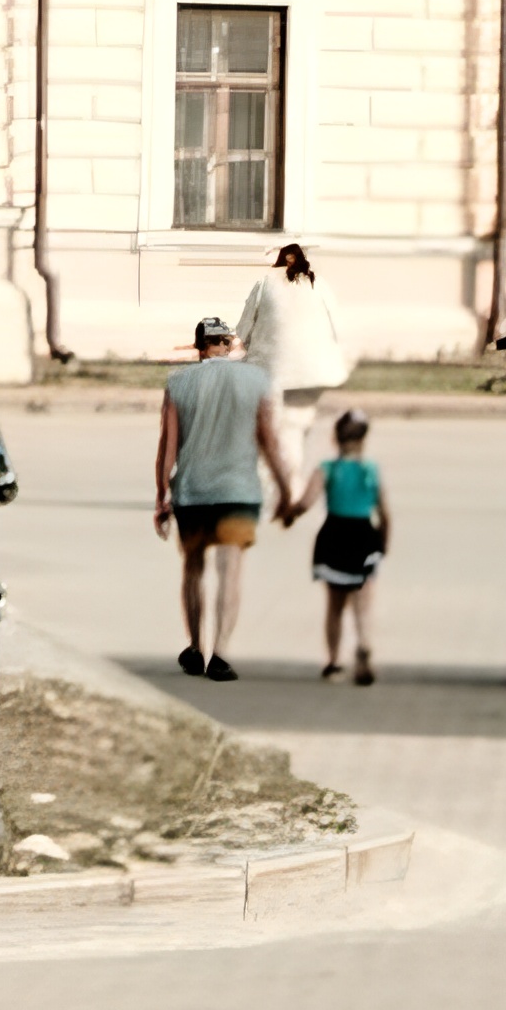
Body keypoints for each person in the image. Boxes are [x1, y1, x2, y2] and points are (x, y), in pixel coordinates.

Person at [154, 316, 290, 681]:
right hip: (238, 493)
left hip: (192, 493)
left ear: (199, 346)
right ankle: (221, 653)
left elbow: (167, 447)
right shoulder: (255, 380)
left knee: (194, 569)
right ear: (228, 344)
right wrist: (286, 489)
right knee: (230, 572)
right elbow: (269, 441)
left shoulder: (178, 383)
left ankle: (196, 648)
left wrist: (161, 496)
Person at [236, 241, 350, 501]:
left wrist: (241, 343)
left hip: (270, 371)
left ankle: (262, 485)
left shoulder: (266, 281)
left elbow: (244, 325)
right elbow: (337, 323)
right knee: (295, 430)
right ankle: (293, 485)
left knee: (266, 429)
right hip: (311, 373)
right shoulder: (317, 283)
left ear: (281, 259)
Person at [285, 408, 389, 685]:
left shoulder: (327, 469)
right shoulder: (370, 471)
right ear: (363, 441)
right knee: (363, 602)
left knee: (335, 605)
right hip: (364, 535)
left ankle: (333, 663)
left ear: (335, 439)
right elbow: (385, 513)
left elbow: (306, 503)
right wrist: (383, 544)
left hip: (334, 535)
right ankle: (364, 643)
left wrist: (289, 513)